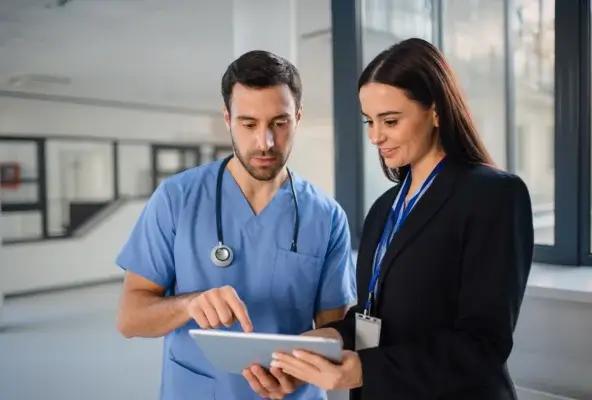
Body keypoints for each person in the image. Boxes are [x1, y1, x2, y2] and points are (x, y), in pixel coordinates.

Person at [246, 38, 534, 399]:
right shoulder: (385, 207)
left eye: (391, 121)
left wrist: (365, 369)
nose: (375, 136)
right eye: (370, 121)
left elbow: (483, 344)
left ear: (435, 110)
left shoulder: (493, 195)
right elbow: (375, 320)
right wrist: (324, 341)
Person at [115, 50, 356, 400]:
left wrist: (300, 368)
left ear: (298, 118)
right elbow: (130, 318)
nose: (265, 142)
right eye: (248, 124)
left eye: (279, 122)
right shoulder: (177, 199)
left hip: (290, 393)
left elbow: (334, 330)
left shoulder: (327, 216)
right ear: (227, 119)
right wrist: (188, 305)